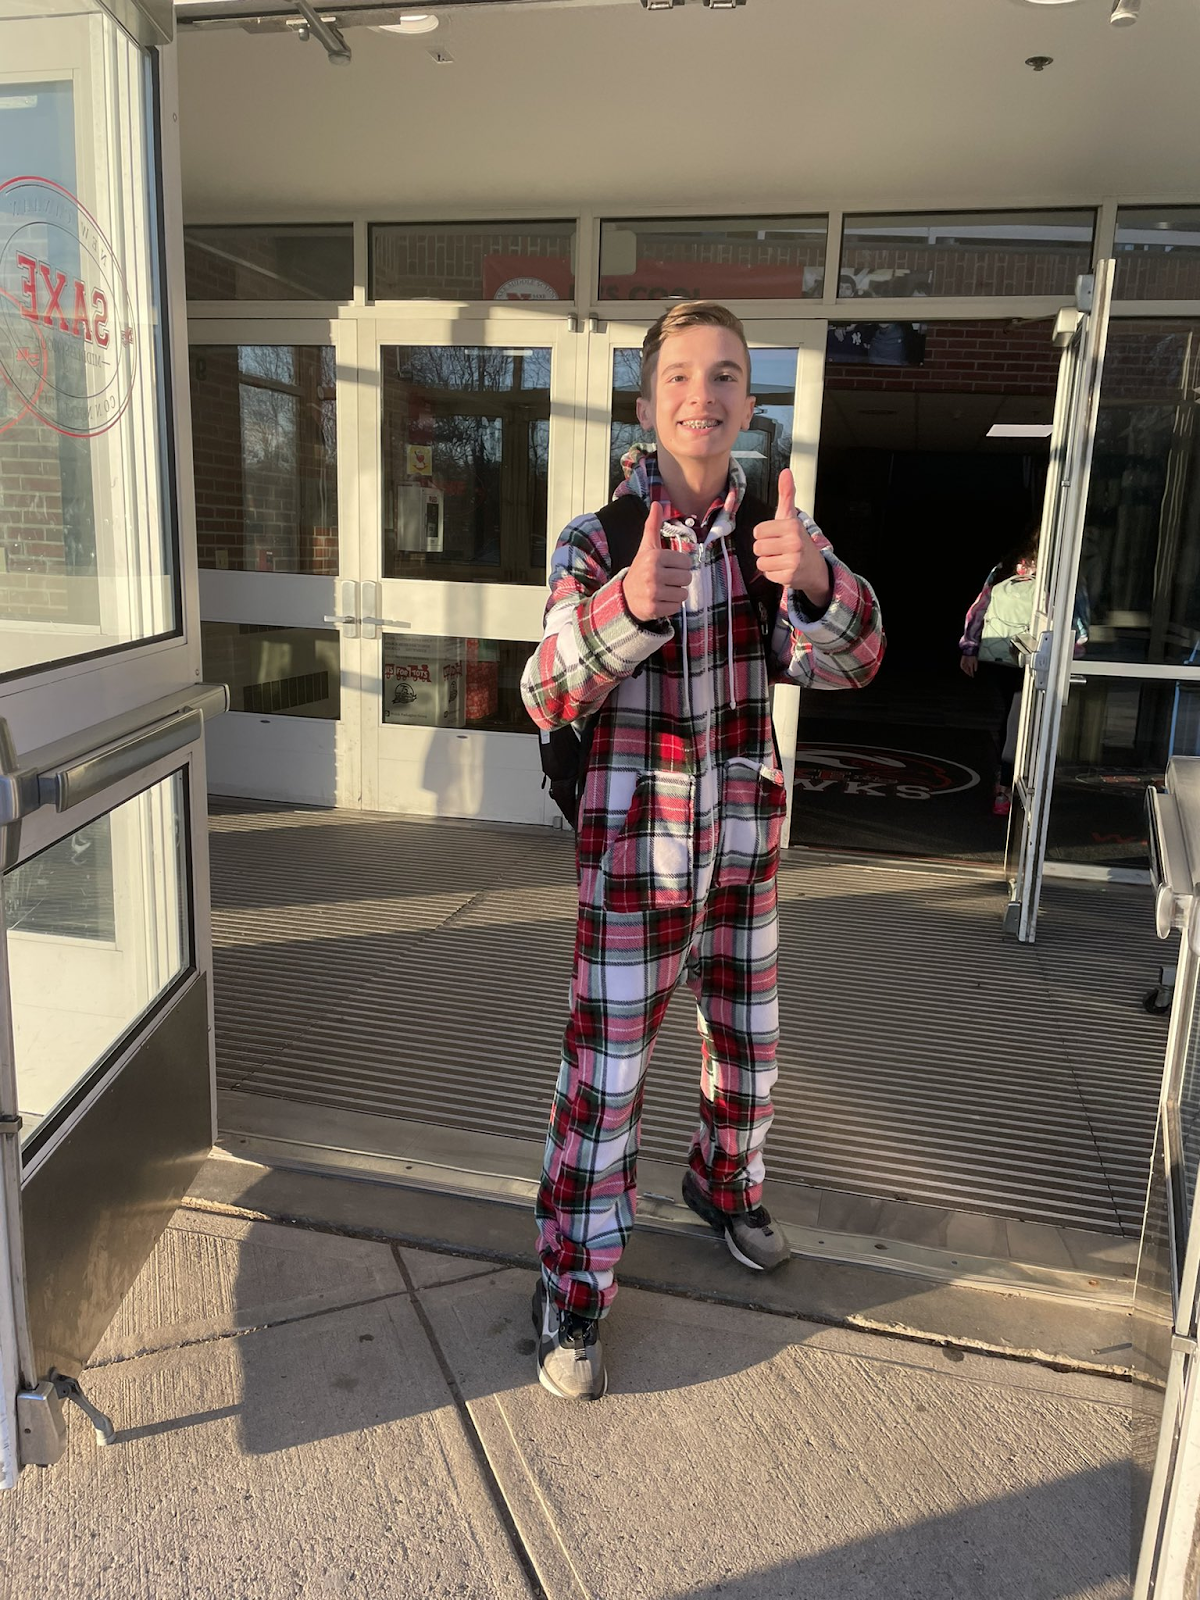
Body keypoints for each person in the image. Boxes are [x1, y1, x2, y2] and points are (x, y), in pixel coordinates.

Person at [520, 301, 884, 1401]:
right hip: (635, 868)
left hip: (742, 859)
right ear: (646, 404)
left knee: (749, 1058)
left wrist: (814, 584)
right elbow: (545, 691)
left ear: (748, 401)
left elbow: (858, 659)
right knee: (604, 1088)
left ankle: (724, 1188)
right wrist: (630, 606)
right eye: (680, 375)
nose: (703, 394)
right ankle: (574, 1291)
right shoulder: (595, 539)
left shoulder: (775, 540)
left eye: (726, 374)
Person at [959, 529, 1089, 816]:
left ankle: (1005, 782)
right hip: (1039, 656)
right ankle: (1009, 785)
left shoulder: (1005, 568)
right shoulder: (1064, 574)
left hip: (1001, 655)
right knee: (1023, 721)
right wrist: (1074, 654)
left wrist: (970, 648)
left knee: (1010, 717)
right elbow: (1079, 624)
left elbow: (979, 608)